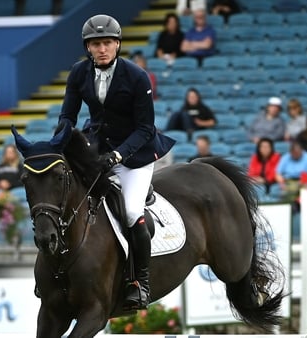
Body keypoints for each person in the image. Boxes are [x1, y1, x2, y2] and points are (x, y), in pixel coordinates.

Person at [57, 14, 175, 310]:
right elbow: (68, 117)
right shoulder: (79, 73)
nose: (102, 49)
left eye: (107, 43)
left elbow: (146, 128)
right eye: (96, 44)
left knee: (132, 210)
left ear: (118, 44)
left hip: (135, 154)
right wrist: (57, 144)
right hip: (98, 147)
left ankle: (141, 282)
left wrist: (120, 155)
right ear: (88, 47)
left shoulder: (136, 76)